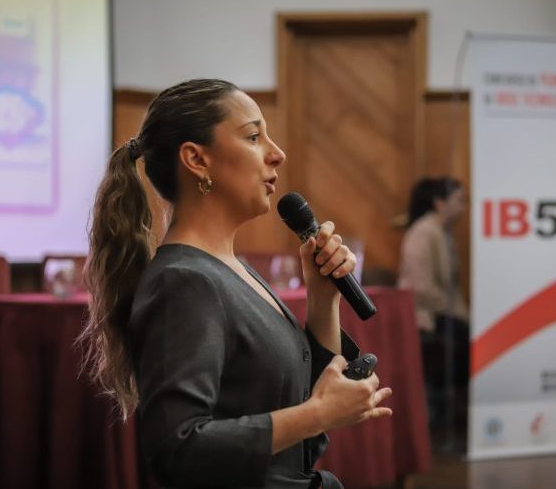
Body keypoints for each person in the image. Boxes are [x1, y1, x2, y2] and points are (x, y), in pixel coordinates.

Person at [79, 79, 392, 488]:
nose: (277, 154)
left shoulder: (231, 270)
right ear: (196, 159)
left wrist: (322, 297)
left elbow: (301, 443)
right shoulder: (183, 282)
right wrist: (318, 413)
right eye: (253, 137)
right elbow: (177, 449)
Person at [397, 177, 469, 431]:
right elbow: (421, 289)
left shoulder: (443, 232)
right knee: (465, 338)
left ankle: (447, 409)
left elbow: (451, 289)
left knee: (471, 335)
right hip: (424, 315)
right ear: (440, 203)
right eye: (459, 200)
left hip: (441, 310)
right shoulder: (424, 232)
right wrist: (460, 314)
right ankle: (439, 410)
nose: (464, 207)